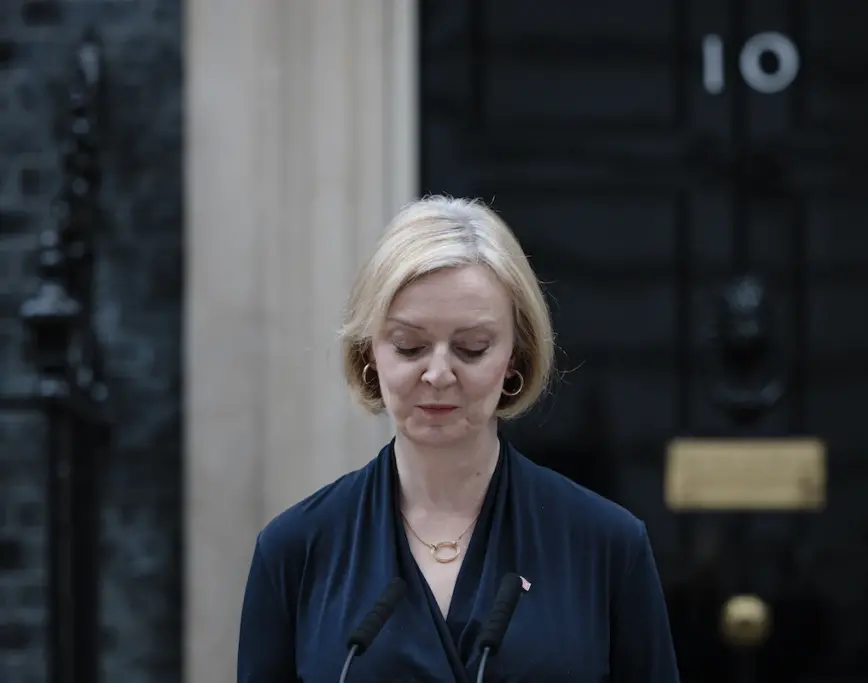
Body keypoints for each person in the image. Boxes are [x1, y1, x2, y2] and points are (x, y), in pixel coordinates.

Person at [237, 196, 680, 683]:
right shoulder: (295, 549)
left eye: (472, 348)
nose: (438, 374)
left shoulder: (608, 544)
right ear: (369, 353)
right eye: (409, 346)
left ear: (515, 356)